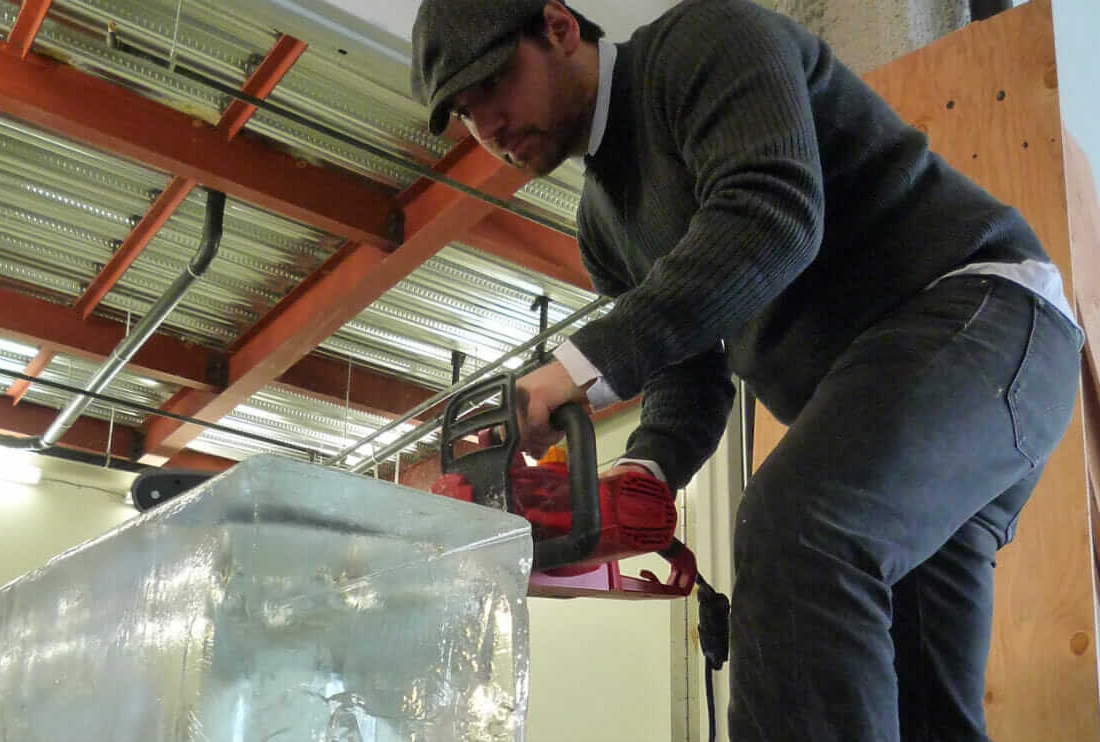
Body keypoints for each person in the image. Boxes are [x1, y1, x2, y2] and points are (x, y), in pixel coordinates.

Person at [410, 0, 1083, 739]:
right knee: (921, 709)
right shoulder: (603, 226)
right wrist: (646, 475)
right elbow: (687, 375)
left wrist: (579, 364)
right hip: (916, 390)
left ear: (559, 27)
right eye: (467, 114)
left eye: (493, 85)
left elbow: (775, 213)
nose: (490, 127)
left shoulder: (706, 42)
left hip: (983, 316)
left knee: (797, 530)